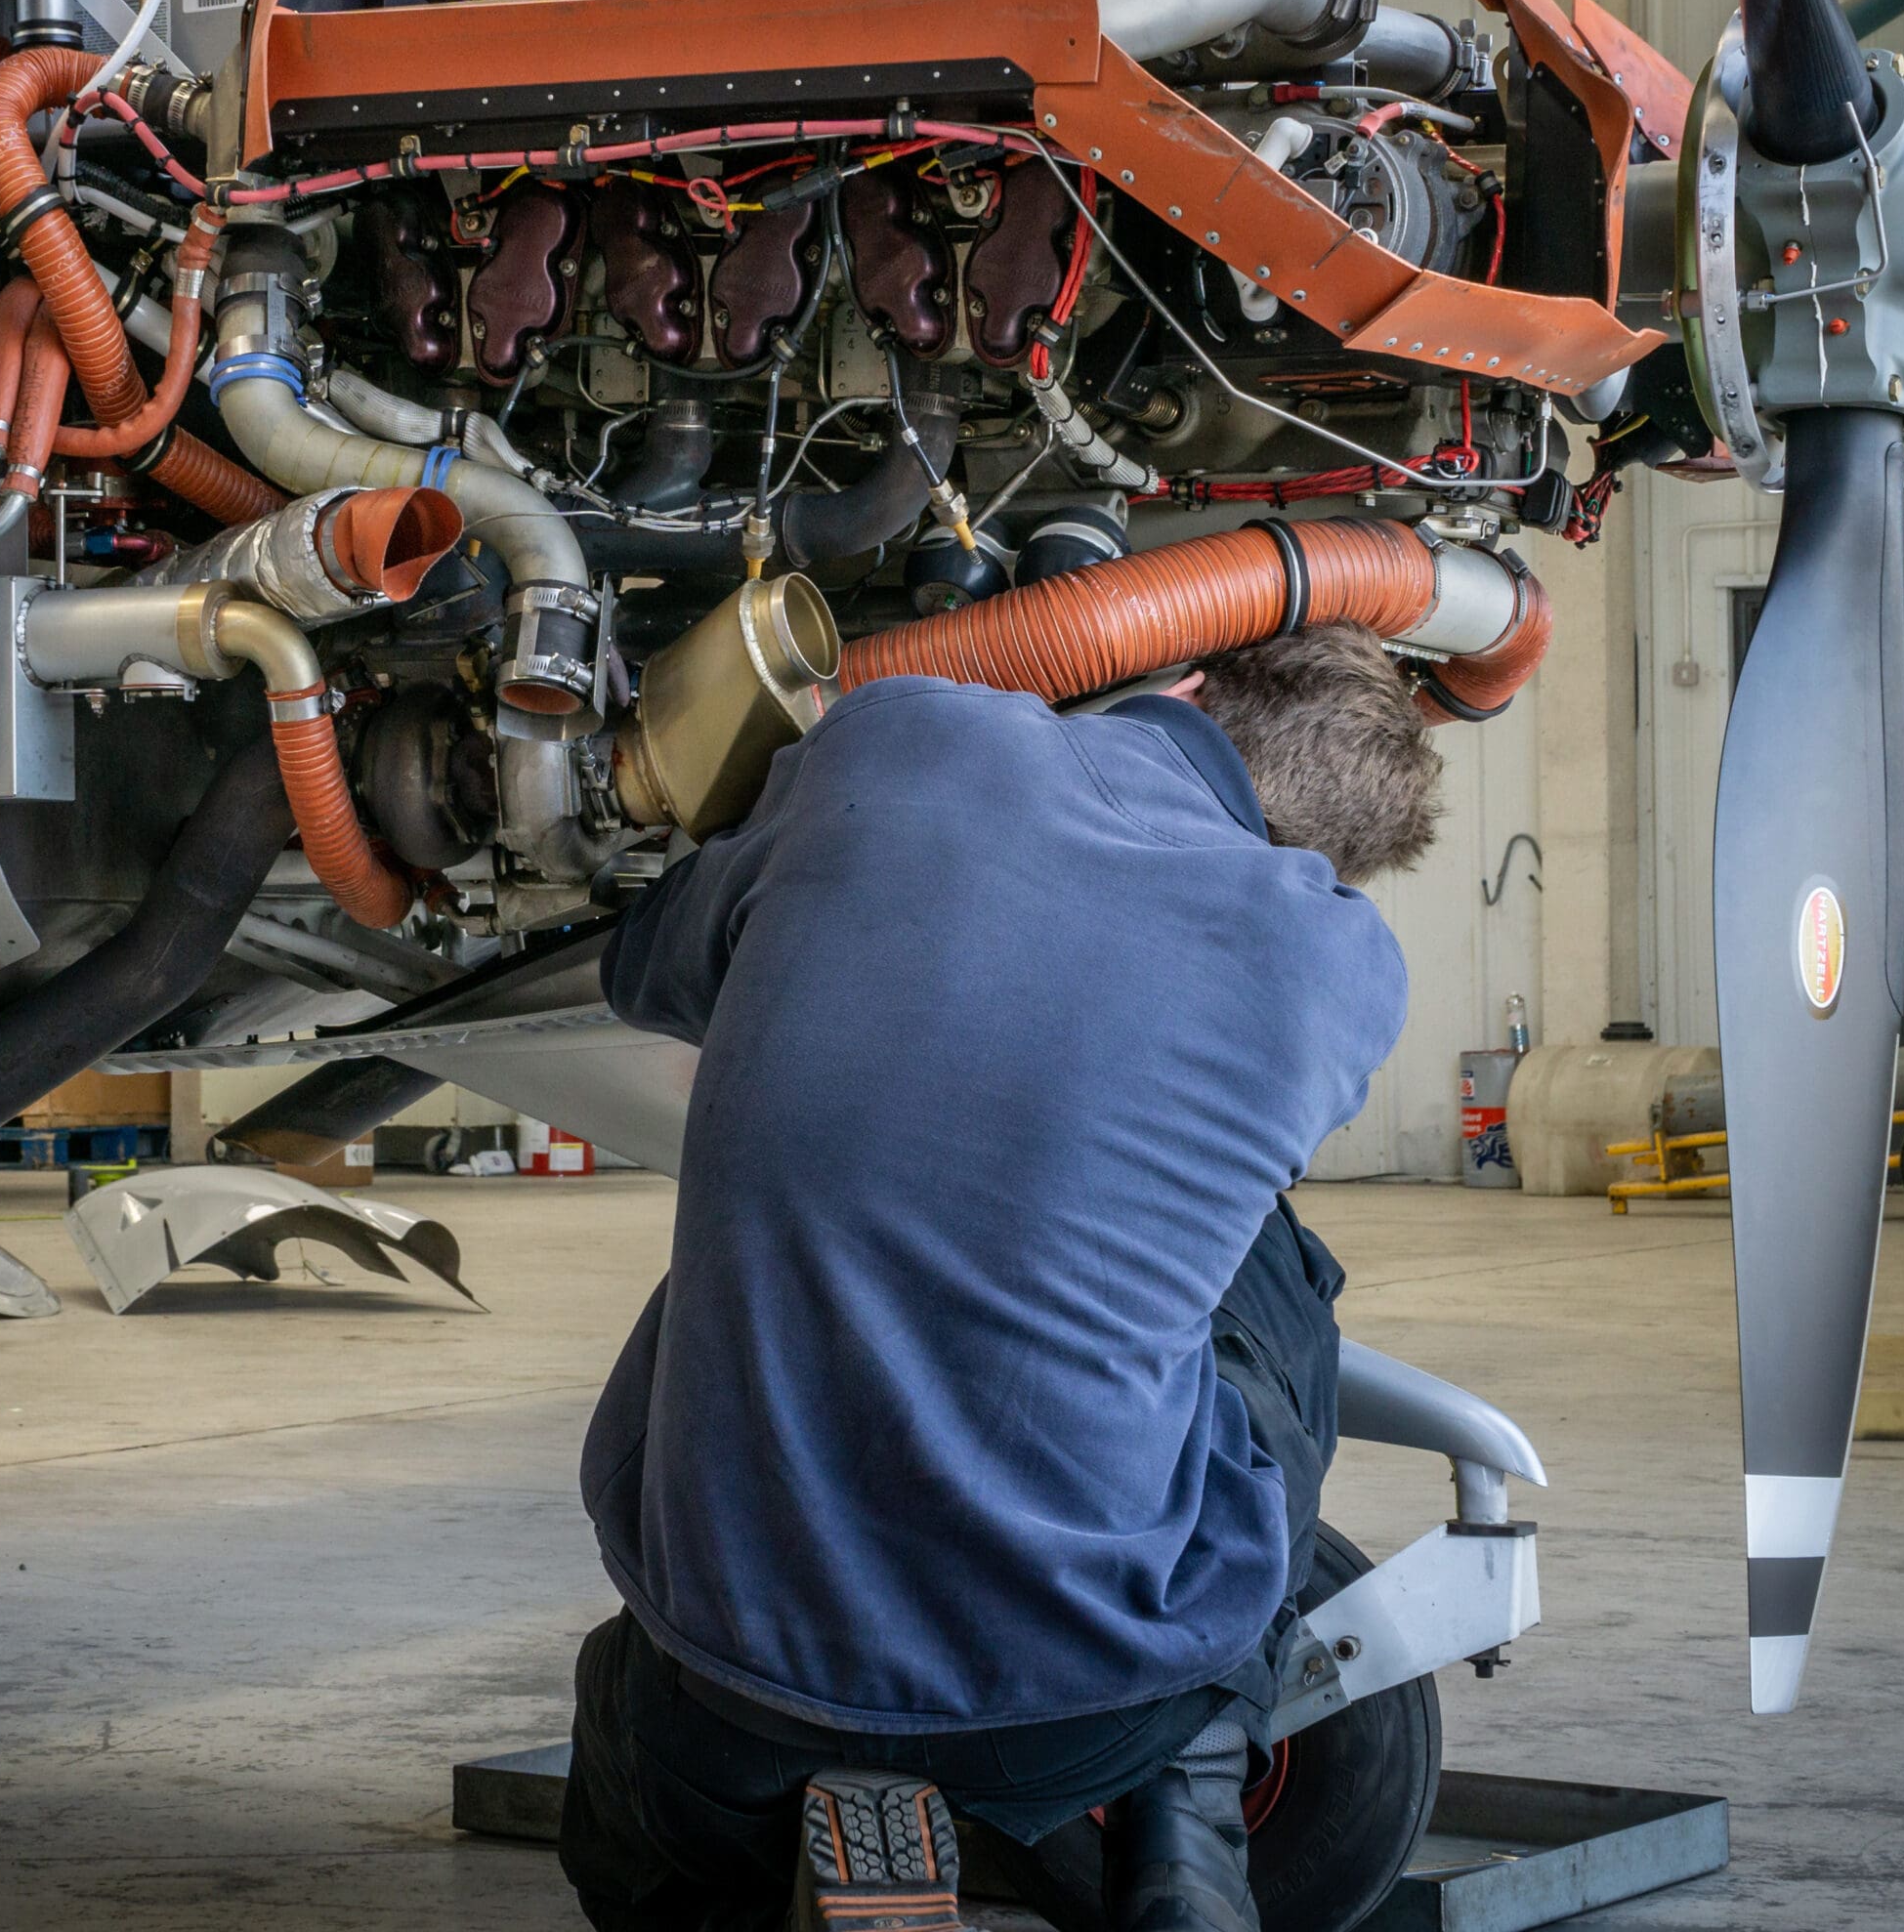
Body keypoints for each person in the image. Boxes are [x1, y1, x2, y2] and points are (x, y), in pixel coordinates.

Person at [560, 622, 1443, 1932]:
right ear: (1327, 859)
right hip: (1097, 1708)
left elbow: (644, 968)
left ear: (1178, 678)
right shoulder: (1345, 964)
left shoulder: (905, 735)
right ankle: (1188, 1810)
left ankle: (697, 1878)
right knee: (1262, 1253)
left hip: (722, 1686)